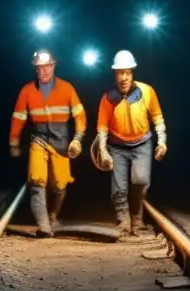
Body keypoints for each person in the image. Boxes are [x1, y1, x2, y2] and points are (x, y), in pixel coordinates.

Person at [9, 50, 86, 236]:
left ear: (53, 66)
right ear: (36, 69)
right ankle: (44, 226)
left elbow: (80, 115)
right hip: (39, 138)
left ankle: (53, 215)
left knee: (60, 185)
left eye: (47, 66)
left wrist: (77, 139)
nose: (44, 71)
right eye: (40, 67)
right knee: (37, 182)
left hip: (61, 141)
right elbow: (19, 117)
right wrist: (14, 141)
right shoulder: (27, 90)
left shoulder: (67, 88)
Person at [96, 50, 167, 235]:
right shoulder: (108, 98)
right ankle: (124, 220)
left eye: (128, 73)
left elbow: (157, 117)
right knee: (119, 187)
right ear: (115, 74)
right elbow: (102, 128)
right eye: (121, 73)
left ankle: (137, 218)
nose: (124, 78)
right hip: (117, 146)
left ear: (132, 73)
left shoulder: (146, 91)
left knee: (141, 180)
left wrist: (162, 140)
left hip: (142, 143)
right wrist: (103, 151)